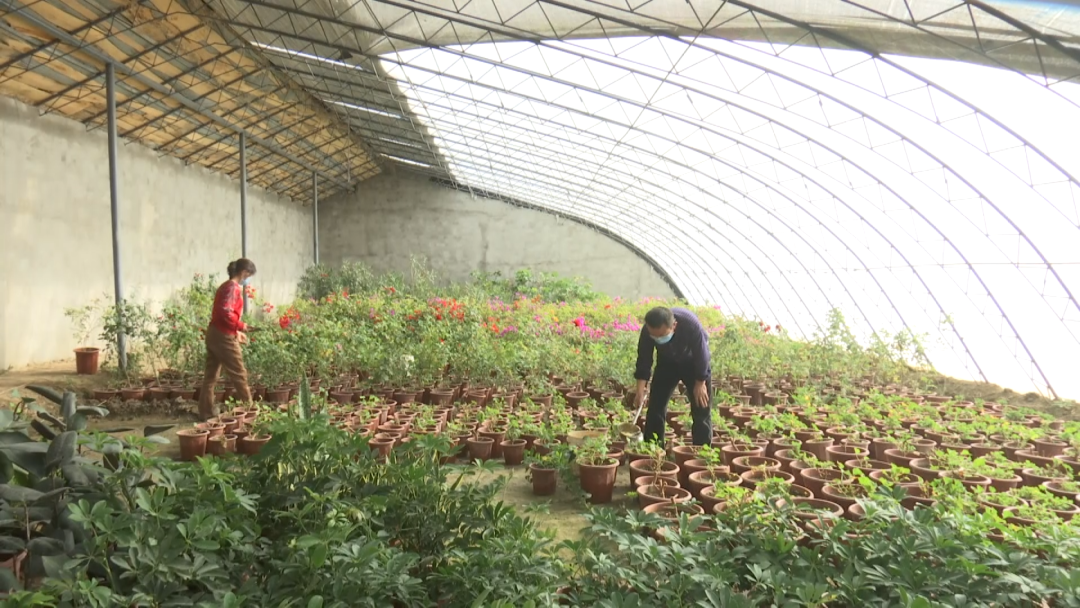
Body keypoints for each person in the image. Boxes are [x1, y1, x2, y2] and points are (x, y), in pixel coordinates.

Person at [633, 306, 712, 446]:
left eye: (662, 336)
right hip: (667, 363)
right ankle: (654, 448)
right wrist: (640, 389)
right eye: (654, 336)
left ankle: (702, 452)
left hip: (692, 363)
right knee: (656, 406)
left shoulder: (690, 324)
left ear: (674, 326)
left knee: (701, 406)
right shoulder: (648, 329)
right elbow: (644, 359)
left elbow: (702, 355)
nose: (658, 339)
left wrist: (700, 382)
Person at [198, 258, 256, 420]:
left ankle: (206, 411)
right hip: (223, 337)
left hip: (215, 333)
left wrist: (236, 331)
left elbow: (220, 316)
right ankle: (250, 411)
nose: (248, 279)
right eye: (249, 276)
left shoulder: (225, 286)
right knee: (239, 373)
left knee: (211, 375)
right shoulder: (232, 288)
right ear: (244, 273)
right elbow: (226, 312)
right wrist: (240, 326)